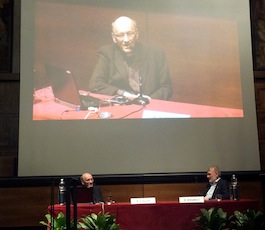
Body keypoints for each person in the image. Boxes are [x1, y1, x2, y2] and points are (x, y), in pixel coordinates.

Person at [88, 16, 173, 101]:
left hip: (150, 105)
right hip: (122, 104)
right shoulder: (107, 53)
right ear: (114, 38)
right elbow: (95, 84)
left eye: (129, 33)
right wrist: (123, 94)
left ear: (136, 34)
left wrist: (150, 99)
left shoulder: (156, 53)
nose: (126, 39)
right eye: (120, 35)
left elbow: (166, 88)